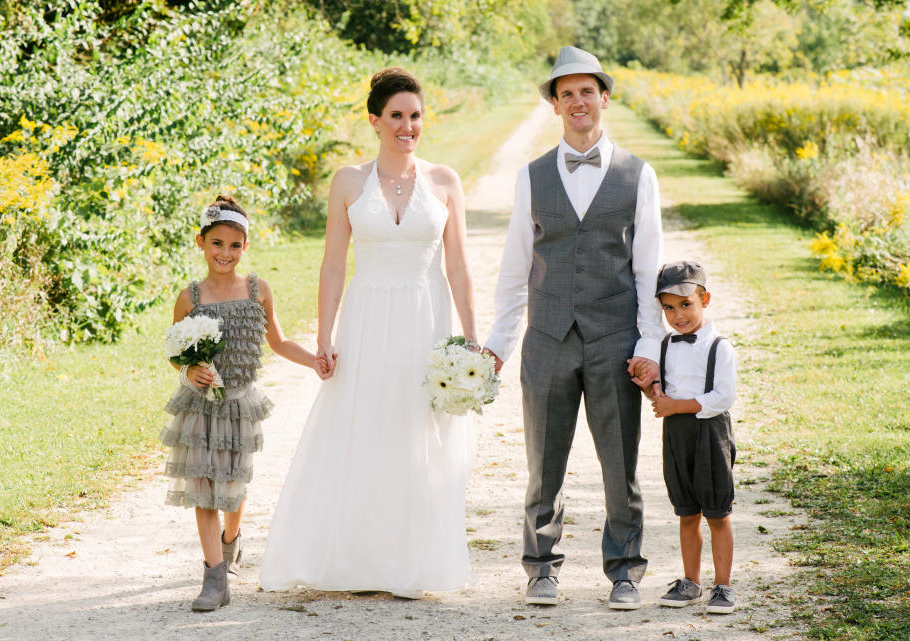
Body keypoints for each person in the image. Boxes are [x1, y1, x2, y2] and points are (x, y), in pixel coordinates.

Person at [259, 67, 478, 598]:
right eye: (397, 116)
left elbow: (459, 268)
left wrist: (471, 343)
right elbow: (333, 266)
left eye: (416, 116)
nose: (408, 126)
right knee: (363, 427)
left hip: (426, 320)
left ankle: (413, 560)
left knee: (416, 431)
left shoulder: (445, 181)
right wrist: (325, 337)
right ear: (375, 121)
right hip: (367, 315)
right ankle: (356, 558)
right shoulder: (349, 182)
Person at [484, 46, 664, 609]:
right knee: (544, 462)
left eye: (588, 91)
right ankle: (541, 567)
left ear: (604, 98)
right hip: (547, 339)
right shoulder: (532, 176)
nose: (578, 101)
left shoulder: (639, 174)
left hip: (615, 342)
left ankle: (625, 571)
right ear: (555, 105)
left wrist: (650, 345)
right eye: (567, 94)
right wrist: (497, 344)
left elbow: (647, 269)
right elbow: (515, 267)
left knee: (620, 463)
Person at [161, 196, 327, 612]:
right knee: (205, 490)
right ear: (201, 242)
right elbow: (176, 350)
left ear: (245, 247)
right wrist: (189, 371)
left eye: (235, 246)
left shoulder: (258, 290)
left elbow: (279, 341)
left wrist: (315, 361)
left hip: (238, 404)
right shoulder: (190, 297)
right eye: (217, 243)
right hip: (201, 406)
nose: (225, 253)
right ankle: (214, 579)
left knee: (233, 489)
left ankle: (231, 541)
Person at [637, 261, 738, 615]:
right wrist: (652, 391)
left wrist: (676, 405)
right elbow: (665, 397)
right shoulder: (665, 345)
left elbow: (723, 397)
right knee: (686, 511)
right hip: (677, 435)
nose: (677, 315)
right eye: (668, 307)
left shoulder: (719, 347)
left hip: (709, 433)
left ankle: (723, 586)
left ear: (704, 299)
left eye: (685, 304)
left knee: (716, 512)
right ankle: (691, 581)